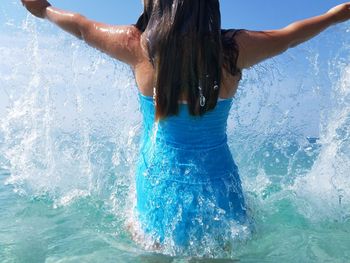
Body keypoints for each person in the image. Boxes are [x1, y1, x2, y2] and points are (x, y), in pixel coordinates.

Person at [21, 0, 350, 251]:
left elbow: (80, 26)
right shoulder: (233, 51)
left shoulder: (136, 47)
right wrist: (336, 15)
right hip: (224, 202)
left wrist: (46, 10)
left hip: (158, 204)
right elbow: (290, 36)